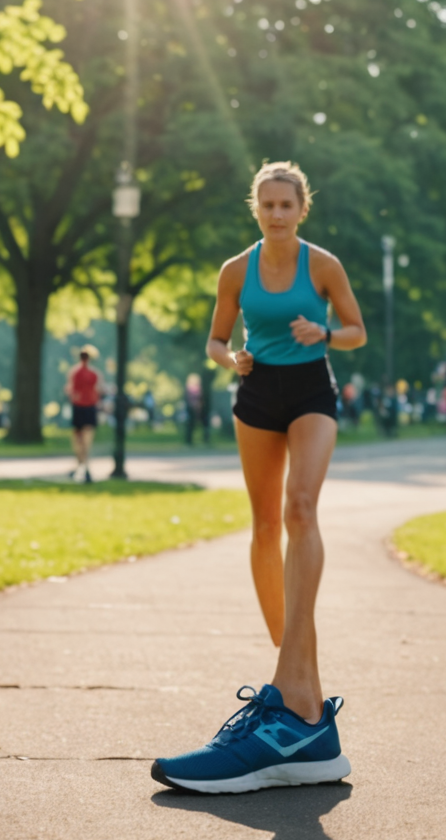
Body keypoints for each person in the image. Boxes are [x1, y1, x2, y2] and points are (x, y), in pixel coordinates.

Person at [152, 160, 367, 795]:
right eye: (267, 205)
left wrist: (323, 330)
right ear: (256, 210)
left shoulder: (322, 265)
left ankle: (290, 670)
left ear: (303, 208)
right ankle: (289, 654)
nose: (277, 213)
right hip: (256, 391)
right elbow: (215, 341)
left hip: (310, 389)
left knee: (302, 508)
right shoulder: (235, 271)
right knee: (265, 522)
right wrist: (232, 356)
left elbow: (355, 332)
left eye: (286, 204)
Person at [66, 346, 102, 482]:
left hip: (79, 407)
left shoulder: (74, 372)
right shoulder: (94, 374)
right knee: (87, 440)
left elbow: (71, 391)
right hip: (89, 408)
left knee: (78, 440)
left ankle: (81, 465)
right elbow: (98, 390)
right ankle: (84, 465)